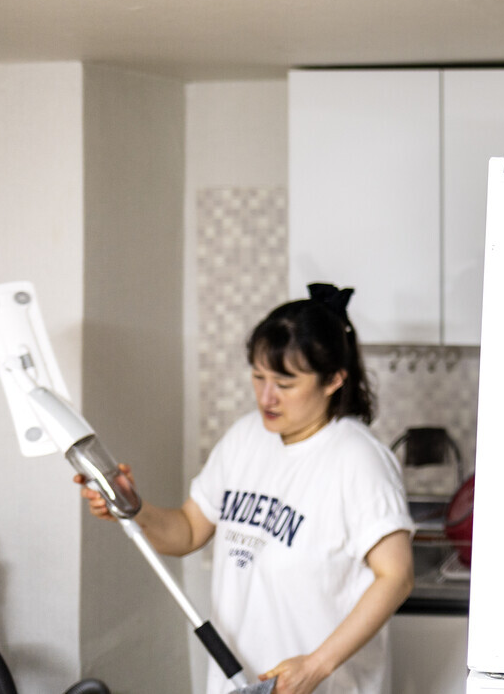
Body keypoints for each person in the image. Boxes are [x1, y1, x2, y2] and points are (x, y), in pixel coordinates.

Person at [78, 283, 415, 694]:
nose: (266, 397)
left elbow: (396, 576)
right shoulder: (245, 437)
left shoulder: (358, 459)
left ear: (333, 380)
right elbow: (188, 531)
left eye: (285, 384)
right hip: (237, 683)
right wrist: (133, 507)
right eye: (258, 377)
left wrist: (314, 666)